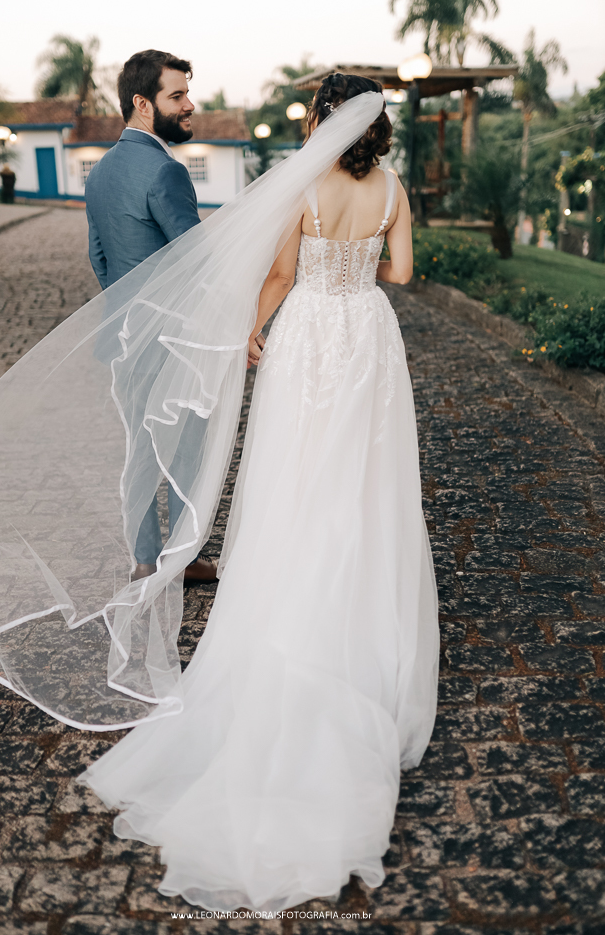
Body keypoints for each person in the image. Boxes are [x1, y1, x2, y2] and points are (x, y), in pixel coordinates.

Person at [79, 74, 439, 912]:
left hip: (309, 334)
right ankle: (359, 600)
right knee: (367, 476)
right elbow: (402, 271)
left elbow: (278, 275)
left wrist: (252, 324)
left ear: (320, 120)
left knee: (292, 471)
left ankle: (288, 586)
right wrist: (361, 264)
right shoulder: (392, 187)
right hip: (367, 335)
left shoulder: (304, 185)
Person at [85, 49, 217, 584]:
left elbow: (99, 257)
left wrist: (129, 311)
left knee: (139, 448)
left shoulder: (100, 173)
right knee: (184, 449)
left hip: (123, 336)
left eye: (187, 93)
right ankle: (182, 559)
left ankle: (144, 560)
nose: (189, 105)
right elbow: (196, 259)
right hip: (173, 336)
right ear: (143, 103)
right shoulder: (166, 170)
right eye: (177, 95)